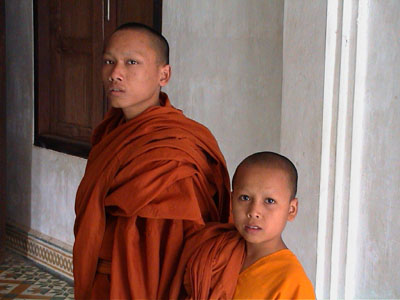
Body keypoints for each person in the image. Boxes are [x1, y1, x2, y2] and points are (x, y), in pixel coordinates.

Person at [73, 22, 231, 299]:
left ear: (164, 74)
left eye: (131, 62)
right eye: (109, 61)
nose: (115, 74)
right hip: (103, 282)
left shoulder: (177, 150)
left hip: (151, 286)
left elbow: (172, 246)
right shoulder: (111, 133)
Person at [179, 151, 316, 299]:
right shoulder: (218, 251)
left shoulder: (292, 282)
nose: (254, 211)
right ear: (232, 201)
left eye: (269, 201)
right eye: (244, 198)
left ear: (291, 210)